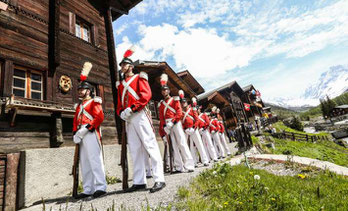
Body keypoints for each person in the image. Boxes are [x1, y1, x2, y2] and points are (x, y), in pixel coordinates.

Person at [116, 49, 165, 193]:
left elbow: (146, 95)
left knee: (150, 145)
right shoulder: (121, 84)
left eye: (124, 64)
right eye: (121, 65)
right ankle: (139, 181)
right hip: (128, 117)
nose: (122, 67)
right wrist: (121, 113)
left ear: (130, 66)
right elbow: (119, 103)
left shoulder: (139, 78)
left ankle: (159, 178)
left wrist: (132, 108)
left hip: (139, 114)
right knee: (135, 149)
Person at [72, 62, 107, 199]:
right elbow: (75, 120)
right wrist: (75, 132)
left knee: (95, 160)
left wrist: (85, 129)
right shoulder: (79, 106)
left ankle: (101, 187)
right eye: (79, 90)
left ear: (89, 91)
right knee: (84, 162)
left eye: (82, 90)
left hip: (91, 133)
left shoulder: (94, 102)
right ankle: (88, 189)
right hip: (81, 135)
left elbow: (99, 117)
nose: (80, 92)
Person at [158, 74, 195, 173]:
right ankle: (179, 167)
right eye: (162, 90)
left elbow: (179, 113)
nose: (164, 91)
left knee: (182, 143)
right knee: (173, 146)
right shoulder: (161, 104)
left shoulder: (175, 100)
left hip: (176, 123)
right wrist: (164, 126)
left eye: (165, 90)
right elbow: (161, 116)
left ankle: (189, 165)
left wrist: (172, 122)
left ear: (169, 91)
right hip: (167, 125)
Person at [180, 94, 209, 167]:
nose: (183, 103)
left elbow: (197, 120)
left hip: (194, 129)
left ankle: (205, 161)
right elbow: (182, 122)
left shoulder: (192, 109)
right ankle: (194, 162)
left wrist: (194, 127)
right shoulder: (182, 112)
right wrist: (185, 129)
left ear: (187, 102)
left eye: (184, 102)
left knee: (199, 145)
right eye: (182, 102)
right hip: (187, 131)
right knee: (191, 147)